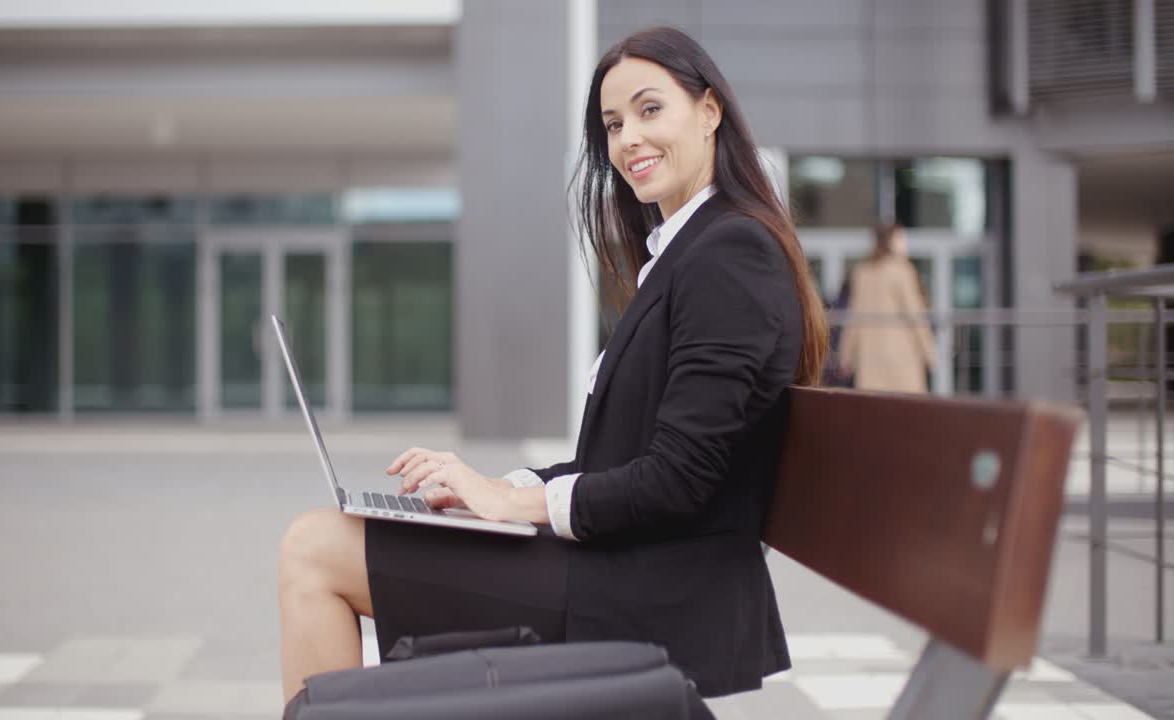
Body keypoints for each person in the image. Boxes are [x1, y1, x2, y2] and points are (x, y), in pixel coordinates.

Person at [275, 26, 829, 703]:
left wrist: (513, 504)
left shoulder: (729, 253)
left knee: (316, 549)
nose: (629, 139)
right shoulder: (686, 253)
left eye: (650, 110)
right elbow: (620, 461)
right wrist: (490, 489)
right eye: (614, 124)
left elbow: (678, 479)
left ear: (709, 111)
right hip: (620, 568)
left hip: (648, 592)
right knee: (322, 540)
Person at [838, 224, 936, 393]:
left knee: (876, 407)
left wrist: (845, 355)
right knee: (907, 406)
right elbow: (915, 315)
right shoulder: (902, 270)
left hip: (870, 360)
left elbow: (854, 317)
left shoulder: (863, 272)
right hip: (902, 357)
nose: (905, 244)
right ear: (891, 241)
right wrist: (929, 353)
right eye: (902, 239)